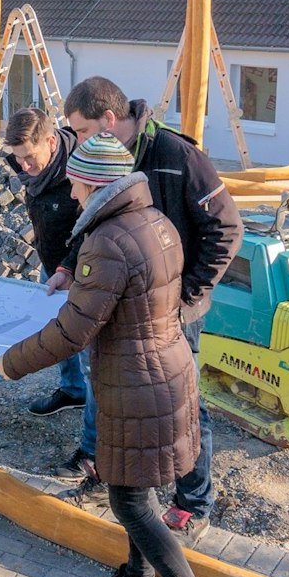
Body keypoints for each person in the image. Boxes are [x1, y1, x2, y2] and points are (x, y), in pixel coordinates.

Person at [0, 133, 224, 577]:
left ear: (96, 184)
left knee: (131, 500)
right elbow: (127, 292)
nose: (72, 193)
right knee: (137, 489)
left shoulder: (107, 240)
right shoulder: (154, 222)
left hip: (136, 384)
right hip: (163, 372)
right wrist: (74, 276)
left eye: (76, 182)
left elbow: (74, 332)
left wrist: (11, 363)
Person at [62, 77, 242, 540]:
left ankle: (192, 502)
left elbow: (226, 230)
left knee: (182, 404)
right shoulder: (103, 158)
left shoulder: (178, 157)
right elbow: (92, 221)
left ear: (108, 120)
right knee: (109, 388)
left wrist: (186, 296)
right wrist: (68, 265)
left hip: (173, 310)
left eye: (80, 131)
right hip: (122, 308)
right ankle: (109, 472)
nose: (75, 141)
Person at [0, 108, 97, 483]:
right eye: (18, 157)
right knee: (57, 333)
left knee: (91, 356)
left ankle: (92, 449)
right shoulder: (31, 166)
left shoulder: (80, 172)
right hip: (53, 263)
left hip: (83, 272)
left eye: (30, 156)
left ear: (52, 142)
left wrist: (70, 269)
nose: (23, 166)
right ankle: (71, 390)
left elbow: (90, 230)